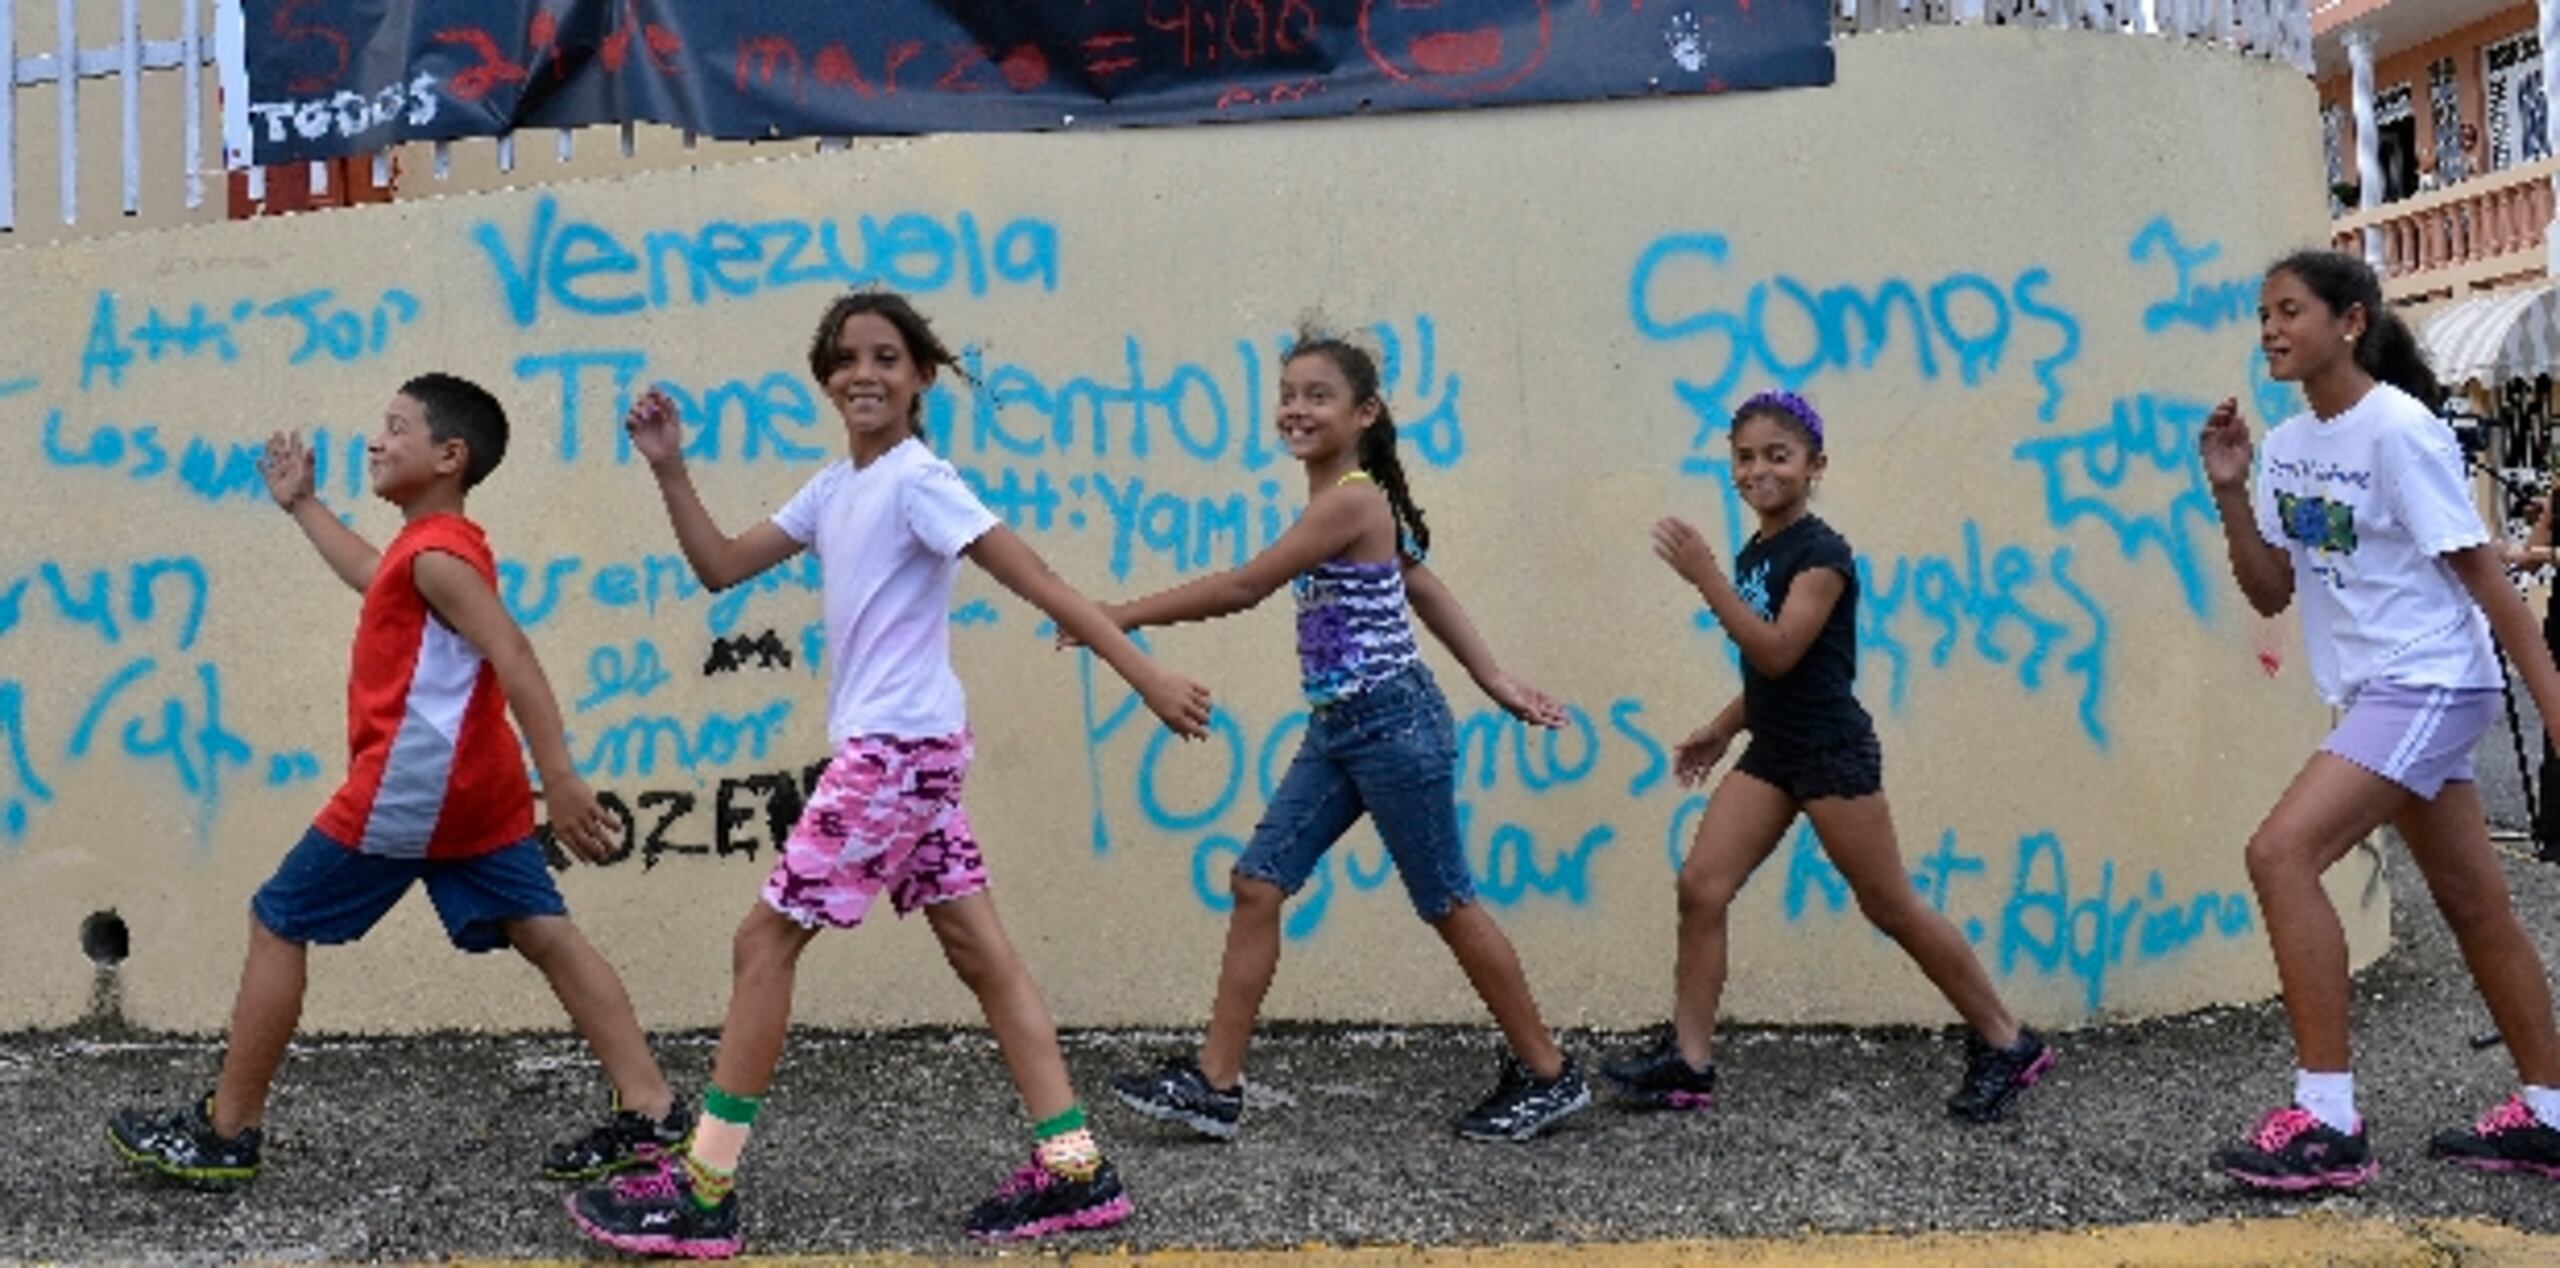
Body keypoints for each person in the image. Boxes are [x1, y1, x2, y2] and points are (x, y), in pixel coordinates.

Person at [566, 293, 1214, 1257]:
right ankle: (1076, 1169)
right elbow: (718, 565)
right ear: (826, 379)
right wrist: (670, 467)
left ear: (919, 377)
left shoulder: (921, 481)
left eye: (885, 357)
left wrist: (1146, 674)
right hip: (911, 755)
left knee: (762, 942)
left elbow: (1033, 578)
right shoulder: (835, 489)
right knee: (982, 955)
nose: (863, 373)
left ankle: (702, 1190)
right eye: (844, 359)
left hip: (894, 757)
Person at [107, 373, 689, 1187]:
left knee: (278, 918)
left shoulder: (440, 559)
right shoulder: (434, 549)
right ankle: (654, 1110)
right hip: (474, 790)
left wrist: (561, 779)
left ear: (449, 456)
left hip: (414, 790)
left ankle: (226, 1130)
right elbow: (373, 572)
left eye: (395, 428)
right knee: (544, 931)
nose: (375, 441)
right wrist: (302, 505)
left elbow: (513, 654)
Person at [1103, 333, 1590, 1145]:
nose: (1296, 407)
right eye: (1288, 392)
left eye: (1318, 394)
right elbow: (1420, 582)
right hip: (1342, 729)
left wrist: (1115, 617)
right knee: (1258, 882)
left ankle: (1549, 1074)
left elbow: (1244, 585)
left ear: (1363, 413)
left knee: (1448, 902)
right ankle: (1214, 1085)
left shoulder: (1351, 500)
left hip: (1393, 728)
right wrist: (1493, 678)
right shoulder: (1351, 500)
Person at [2202, 248, 2560, 1191]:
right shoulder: (2285, 448)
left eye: (2290, 311)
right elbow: (2272, 589)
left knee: (2280, 854)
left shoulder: (2400, 432)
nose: (2272, 329)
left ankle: (2328, 1123)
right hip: (2380, 692)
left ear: (2350, 321)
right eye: (2264, 313)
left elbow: (2489, 581)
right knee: (2477, 905)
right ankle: (2552, 1116)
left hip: (2432, 682)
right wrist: (2232, 491)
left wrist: (2558, 713)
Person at [1603, 390, 2053, 1124]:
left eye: (1777, 456)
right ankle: (1688, 1062)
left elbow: (1780, 652)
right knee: (1702, 886)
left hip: (1830, 754)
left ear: (1816, 467)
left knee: (1890, 904)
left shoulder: (1821, 556)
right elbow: (1771, 674)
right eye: (1744, 458)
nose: (1759, 471)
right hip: (1774, 751)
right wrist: (1722, 728)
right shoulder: (1760, 551)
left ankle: (2008, 1040)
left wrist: (1706, 577)